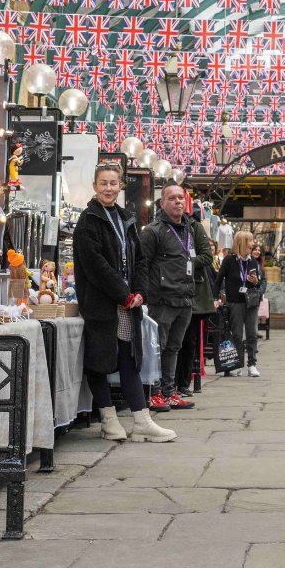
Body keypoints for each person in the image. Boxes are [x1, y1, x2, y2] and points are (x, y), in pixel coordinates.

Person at [72, 162, 175, 444]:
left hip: (128, 304)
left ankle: (141, 420)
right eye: (103, 183)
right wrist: (123, 293)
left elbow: (140, 259)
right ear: (95, 186)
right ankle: (108, 420)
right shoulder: (88, 220)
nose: (108, 188)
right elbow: (95, 265)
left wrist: (140, 291)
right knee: (99, 361)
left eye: (113, 183)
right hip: (102, 304)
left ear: (121, 186)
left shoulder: (126, 218)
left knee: (130, 360)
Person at [139, 183, 198, 412]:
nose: (177, 202)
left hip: (185, 298)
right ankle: (154, 393)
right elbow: (142, 264)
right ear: (162, 203)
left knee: (174, 347)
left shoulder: (188, 229)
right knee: (157, 347)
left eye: (180, 198)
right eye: (172, 198)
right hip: (162, 300)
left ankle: (169, 392)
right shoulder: (153, 231)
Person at [174, 210, 217, 396]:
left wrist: (183, 262)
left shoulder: (194, 227)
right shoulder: (159, 226)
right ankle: (168, 386)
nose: (177, 202)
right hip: (167, 290)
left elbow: (207, 256)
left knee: (188, 340)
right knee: (170, 341)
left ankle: (182, 384)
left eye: (180, 199)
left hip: (192, 293)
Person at [213, 231, 266, 377]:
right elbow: (218, 281)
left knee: (252, 334)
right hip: (235, 302)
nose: (253, 244)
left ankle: (252, 364)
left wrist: (255, 281)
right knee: (237, 334)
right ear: (242, 242)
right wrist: (215, 299)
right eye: (250, 241)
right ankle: (237, 364)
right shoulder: (229, 260)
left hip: (251, 302)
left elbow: (258, 282)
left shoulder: (252, 261)